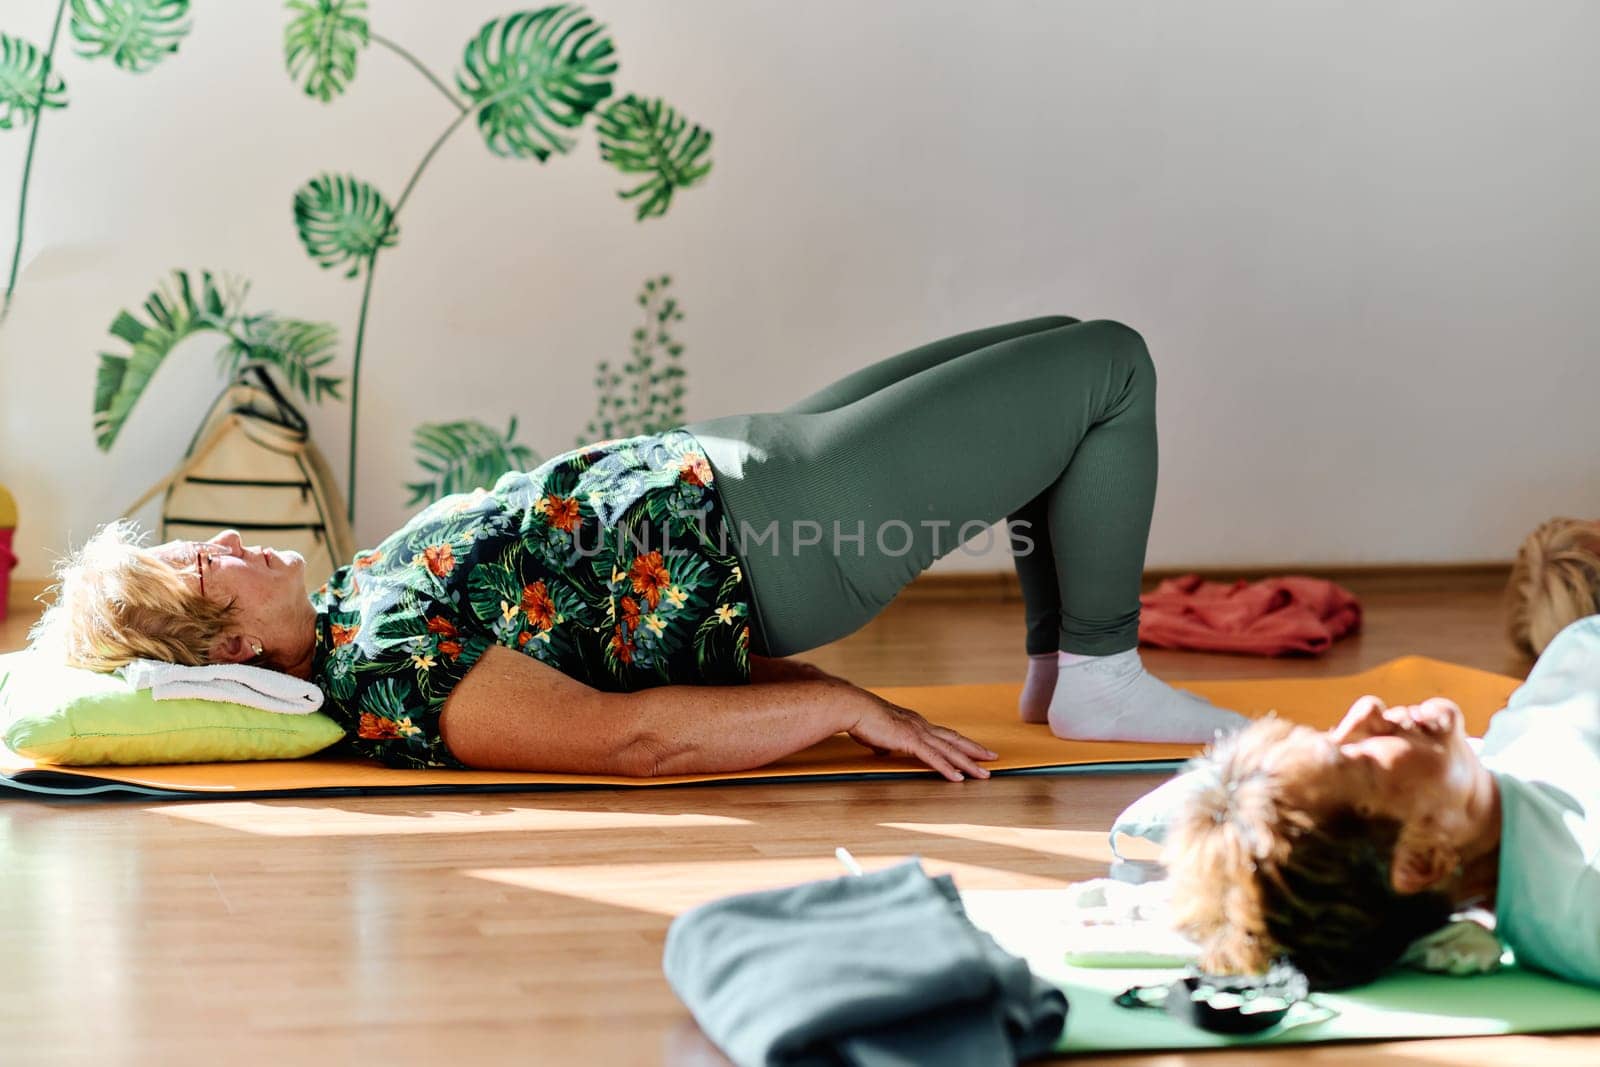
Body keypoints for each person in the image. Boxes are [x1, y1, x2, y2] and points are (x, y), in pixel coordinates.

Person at [34, 315, 1245, 779]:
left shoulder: (362, 603)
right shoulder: (388, 667)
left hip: (743, 468)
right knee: (1109, 367)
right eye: (205, 562)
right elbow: (631, 732)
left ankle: (1059, 668)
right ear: (235, 642)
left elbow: (608, 658)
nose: (231, 537)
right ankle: (1095, 670)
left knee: (1058, 341)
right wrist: (833, 703)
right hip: (779, 527)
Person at [1163, 607, 1600, 991]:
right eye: (1356, 761)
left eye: (1331, 732)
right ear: (1421, 860)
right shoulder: (1583, 895)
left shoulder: (1515, 744)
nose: (1365, 710)